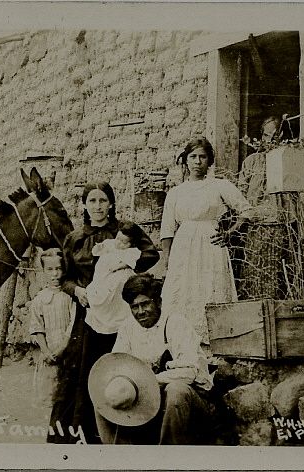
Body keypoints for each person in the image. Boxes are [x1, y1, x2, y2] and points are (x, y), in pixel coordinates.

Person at [48, 181, 159, 444]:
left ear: (111, 203)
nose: (97, 206)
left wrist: (124, 272)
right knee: (80, 372)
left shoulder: (125, 232)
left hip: (121, 315)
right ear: (85, 205)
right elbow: (64, 278)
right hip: (88, 314)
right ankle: (80, 434)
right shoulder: (74, 239)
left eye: (102, 200)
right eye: (92, 201)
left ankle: (124, 430)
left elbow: (150, 254)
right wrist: (78, 291)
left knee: (121, 368)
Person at [90, 274, 213, 445]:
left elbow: (189, 373)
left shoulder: (175, 323)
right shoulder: (127, 328)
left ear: (158, 302)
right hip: (148, 402)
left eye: (145, 304)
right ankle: (119, 457)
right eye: (134, 307)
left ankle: (167, 458)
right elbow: (117, 366)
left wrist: (148, 381)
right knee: (107, 396)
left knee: (176, 390)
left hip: (193, 403)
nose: (140, 312)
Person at [160, 137, 252, 351]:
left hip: (210, 246)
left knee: (210, 290)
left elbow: (246, 211)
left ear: (209, 160)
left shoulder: (220, 186)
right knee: (182, 292)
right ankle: (181, 347)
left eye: (202, 157)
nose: (197, 161)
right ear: (186, 160)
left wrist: (229, 233)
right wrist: (167, 259)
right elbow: (167, 230)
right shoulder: (176, 192)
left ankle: (214, 348)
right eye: (193, 157)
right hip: (183, 249)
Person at [237, 117, 292, 299]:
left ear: (281, 135)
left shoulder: (288, 159)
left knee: (276, 272)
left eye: (275, 135)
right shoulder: (251, 161)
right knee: (255, 271)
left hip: (279, 225)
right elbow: (241, 194)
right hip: (256, 226)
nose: (270, 140)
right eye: (266, 136)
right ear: (261, 137)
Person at [28, 248, 76, 408]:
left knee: (69, 397)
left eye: (58, 269)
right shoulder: (39, 300)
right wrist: (46, 351)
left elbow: (73, 323)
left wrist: (63, 347)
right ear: (43, 271)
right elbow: (37, 327)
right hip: (49, 355)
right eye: (50, 269)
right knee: (51, 399)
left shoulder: (70, 297)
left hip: (68, 353)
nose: (54, 274)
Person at [84, 222, 142, 336]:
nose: (119, 243)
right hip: (103, 275)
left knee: (117, 296)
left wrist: (117, 267)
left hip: (117, 276)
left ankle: (113, 319)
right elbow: (95, 252)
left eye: (123, 242)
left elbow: (129, 263)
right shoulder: (110, 244)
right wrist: (99, 247)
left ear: (131, 244)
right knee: (98, 293)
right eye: (118, 239)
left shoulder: (131, 252)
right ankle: (100, 310)